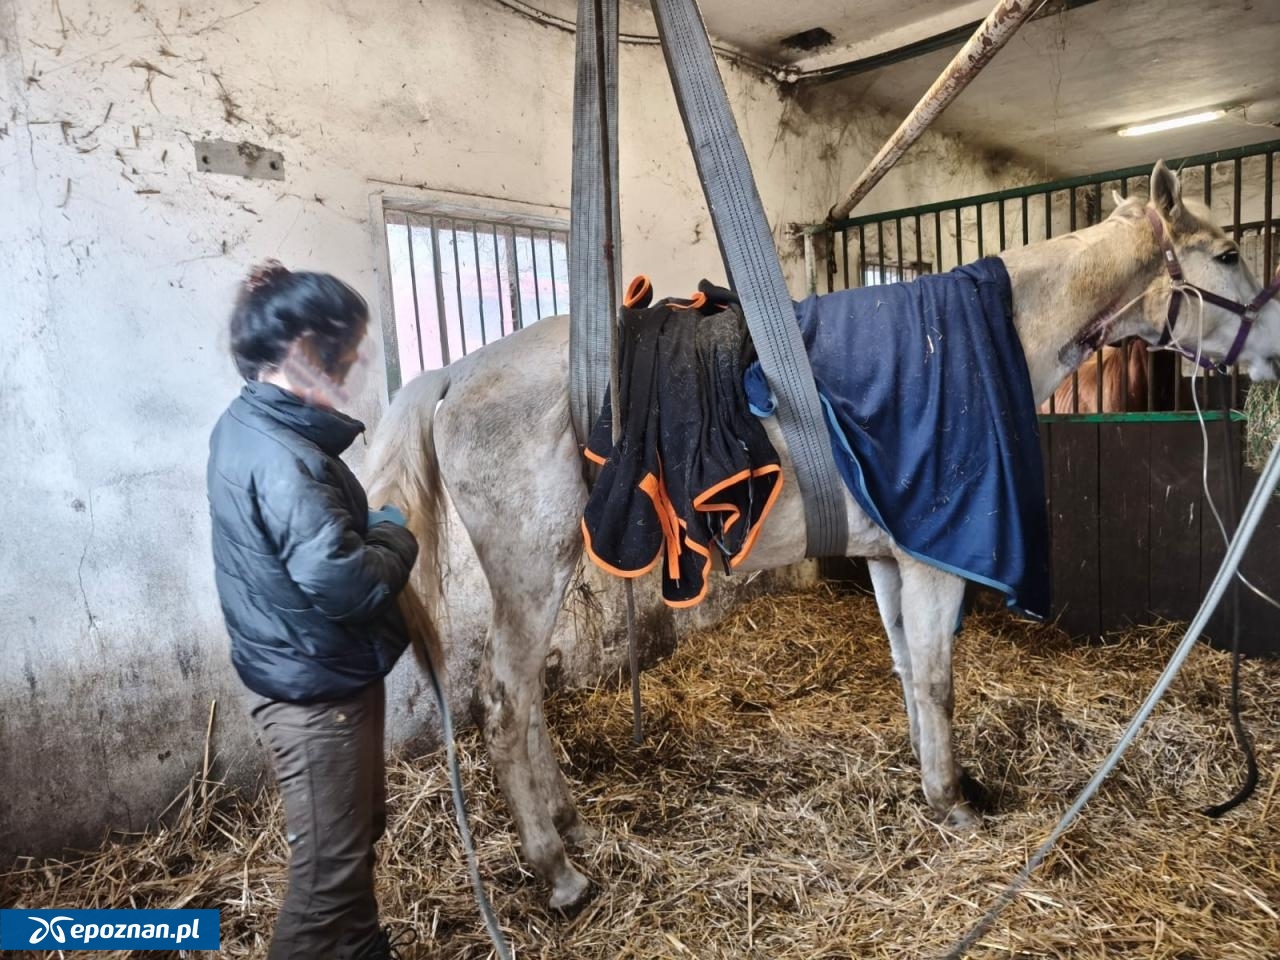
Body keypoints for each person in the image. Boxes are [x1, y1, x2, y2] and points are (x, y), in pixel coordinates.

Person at [207, 261, 418, 959]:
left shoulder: (249, 422)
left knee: (352, 839)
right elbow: (347, 583)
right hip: (316, 691)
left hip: (308, 670)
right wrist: (393, 530)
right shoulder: (285, 459)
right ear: (305, 350)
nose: (355, 367)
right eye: (348, 352)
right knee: (325, 881)